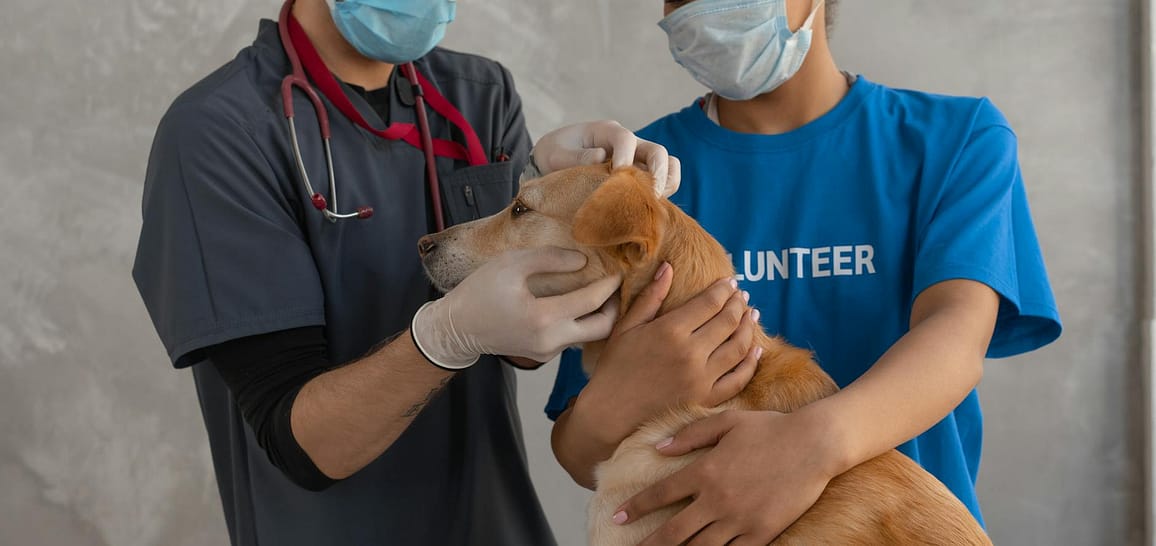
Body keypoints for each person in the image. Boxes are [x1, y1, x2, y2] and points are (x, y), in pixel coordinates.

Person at [131, 0, 756, 544]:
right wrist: (445, 337)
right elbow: (305, 444)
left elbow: (527, 347)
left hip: (496, 526)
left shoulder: (478, 95)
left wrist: (551, 193)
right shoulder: (219, 133)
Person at [548, 0, 1063, 544]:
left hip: (894, 530)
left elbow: (955, 341)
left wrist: (807, 448)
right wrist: (608, 406)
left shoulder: (953, 140)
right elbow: (582, 453)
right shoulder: (640, 184)